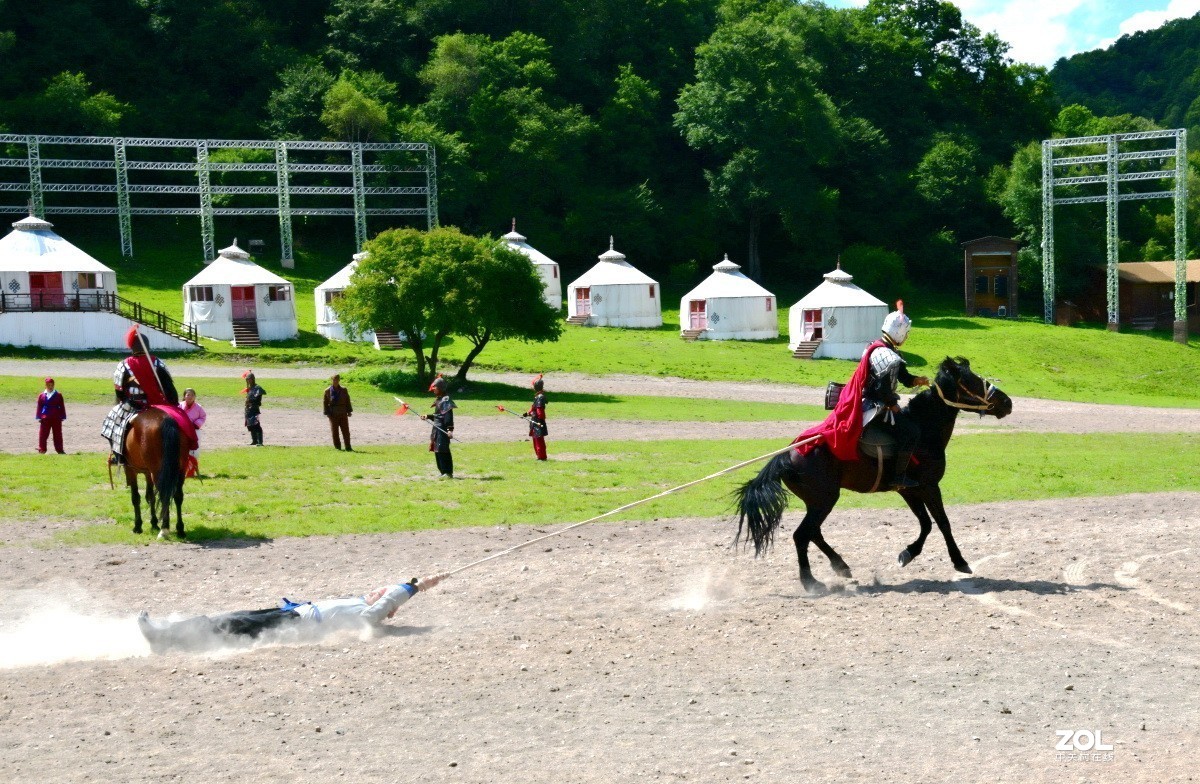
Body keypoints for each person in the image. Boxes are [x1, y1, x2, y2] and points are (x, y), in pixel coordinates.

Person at [137, 573, 448, 654]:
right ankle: (172, 635)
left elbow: (383, 606)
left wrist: (414, 588)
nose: (379, 589)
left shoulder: (366, 614)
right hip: (292, 612)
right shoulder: (359, 602)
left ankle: (164, 638)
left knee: (226, 625)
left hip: (293, 622)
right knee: (227, 621)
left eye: (384, 592)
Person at [861, 301, 928, 489]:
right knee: (911, 432)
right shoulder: (886, 354)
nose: (906, 336)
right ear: (899, 333)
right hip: (876, 407)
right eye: (906, 333)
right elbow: (882, 388)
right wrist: (893, 405)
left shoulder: (885, 349)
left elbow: (903, 377)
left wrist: (917, 380)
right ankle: (898, 477)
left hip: (878, 402)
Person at [101, 328, 179, 465]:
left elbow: (119, 391)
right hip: (160, 404)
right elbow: (170, 389)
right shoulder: (158, 362)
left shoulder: (123, 365)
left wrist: (126, 401)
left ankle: (118, 456)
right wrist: (173, 405)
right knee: (182, 420)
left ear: (132, 347)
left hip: (134, 405)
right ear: (147, 346)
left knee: (111, 421)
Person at [421, 376, 455, 478]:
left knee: (443, 450)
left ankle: (447, 472)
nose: (433, 389)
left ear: (440, 388)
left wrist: (449, 430)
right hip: (436, 429)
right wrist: (428, 416)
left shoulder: (446, 400)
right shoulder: (439, 399)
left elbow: (448, 417)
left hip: (442, 429)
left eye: (435, 387)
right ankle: (442, 472)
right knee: (437, 450)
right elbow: (438, 415)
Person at [179, 388, 207, 477]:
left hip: (195, 430)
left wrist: (196, 424)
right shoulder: (179, 406)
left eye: (192, 395)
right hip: (182, 431)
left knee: (194, 451)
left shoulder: (199, 407)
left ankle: (191, 472)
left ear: (195, 397)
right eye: (188, 395)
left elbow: (203, 417)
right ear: (184, 396)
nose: (190, 397)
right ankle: (181, 471)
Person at [35, 377, 67, 454]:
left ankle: (60, 450)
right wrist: (39, 417)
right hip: (45, 418)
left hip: (56, 418)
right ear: (45, 385)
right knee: (43, 434)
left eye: (52, 385)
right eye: (48, 385)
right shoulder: (42, 395)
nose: (50, 387)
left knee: (58, 434)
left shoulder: (58, 395)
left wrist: (62, 416)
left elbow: (62, 406)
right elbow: (39, 407)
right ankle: (42, 449)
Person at [323, 373, 353, 451]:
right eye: (334, 380)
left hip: (343, 412)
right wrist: (327, 413)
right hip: (333, 413)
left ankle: (348, 447)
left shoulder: (344, 390)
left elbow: (347, 400)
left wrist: (349, 411)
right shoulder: (327, 391)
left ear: (339, 380)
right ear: (332, 380)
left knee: (346, 431)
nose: (335, 381)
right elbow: (325, 403)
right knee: (335, 431)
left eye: (337, 380)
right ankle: (337, 447)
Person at [522, 374, 548, 461]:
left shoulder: (540, 397)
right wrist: (527, 413)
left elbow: (540, 410)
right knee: (536, 439)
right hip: (535, 421)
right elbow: (534, 408)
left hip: (538, 422)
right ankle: (539, 456)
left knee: (539, 440)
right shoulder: (538, 396)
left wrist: (539, 420)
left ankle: (542, 457)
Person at [243, 371, 265, 446]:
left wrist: (250, 401)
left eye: (250, 379)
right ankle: (254, 440)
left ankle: (260, 442)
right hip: (248, 409)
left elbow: (257, 399)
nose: (249, 381)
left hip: (254, 409)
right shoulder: (250, 389)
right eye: (247, 380)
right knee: (250, 425)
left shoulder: (257, 388)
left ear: (253, 379)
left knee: (256, 425)